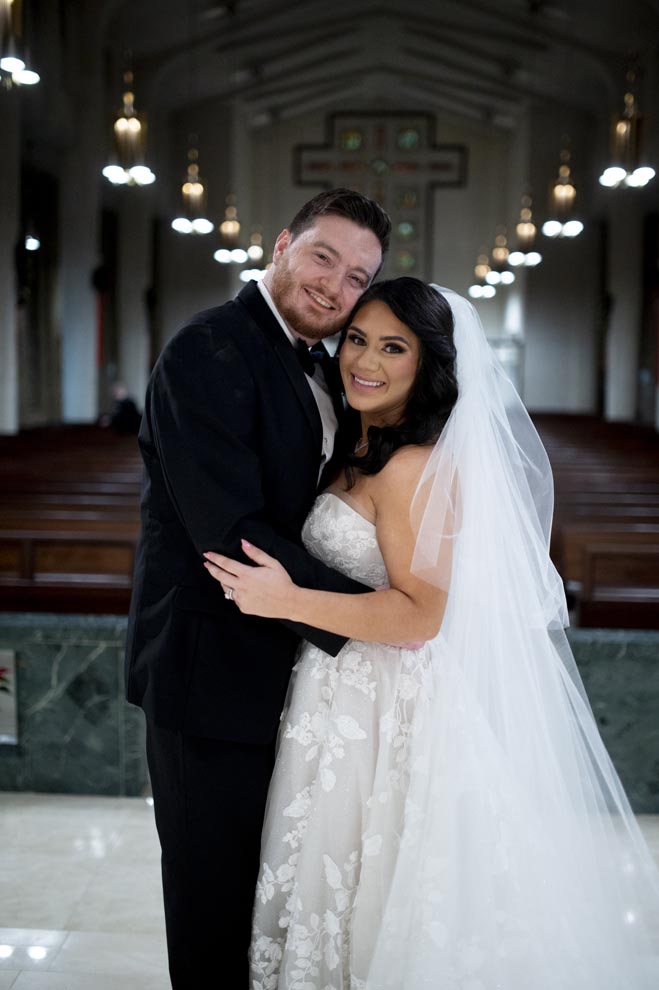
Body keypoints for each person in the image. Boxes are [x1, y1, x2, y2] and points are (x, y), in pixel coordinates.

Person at [205, 279, 659, 989]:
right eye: (357, 339)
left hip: (386, 705)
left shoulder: (413, 467)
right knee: (334, 879)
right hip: (337, 694)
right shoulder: (360, 452)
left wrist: (285, 599)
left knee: (378, 888)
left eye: (394, 348)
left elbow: (420, 614)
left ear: (430, 367)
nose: (365, 360)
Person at [124, 187, 391, 988]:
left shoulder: (327, 365)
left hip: (292, 676)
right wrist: (374, 618)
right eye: (322, 257)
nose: (334, 287)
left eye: (356, 278)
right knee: (213, 906)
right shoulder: (208, 349)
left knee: (273, 902)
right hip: (208, 674)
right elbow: (232, 536)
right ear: (281, 246)